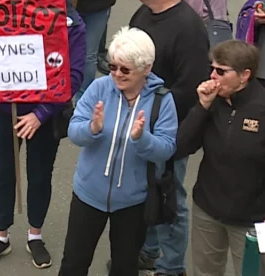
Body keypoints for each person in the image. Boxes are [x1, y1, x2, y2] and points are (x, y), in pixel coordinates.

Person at [0, 0, 85, 269]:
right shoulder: (14, 6)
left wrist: (41, 113)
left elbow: (74, 75)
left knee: (40, 176)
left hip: (44, 115)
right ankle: (1, 236)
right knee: (3, 174)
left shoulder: (73, 23)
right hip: (5, 110)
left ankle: (35, 235)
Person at [179, 40, 265, 276]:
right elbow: (183, 146)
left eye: (221, 71)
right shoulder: (213, 102)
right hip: (208, 209)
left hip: (252, 218)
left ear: (244, 75)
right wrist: (202, 107)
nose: (212, 76)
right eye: (212, 68)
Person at [59, 27, 177, 276]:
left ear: (146, 68)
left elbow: (166, 149)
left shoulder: (162, 101)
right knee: (73, 264)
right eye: (113, 67)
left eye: (125, 69)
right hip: (88, 195)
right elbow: (74, 131)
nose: (116, 74)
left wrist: (141, 139)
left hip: (132, 202)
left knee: (124, 267)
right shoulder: (99, 88)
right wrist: (93, 128)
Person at [126, 0, 210, 276]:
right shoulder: (143, 14)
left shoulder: (188, 29)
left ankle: (172, 266)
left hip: (168, 130)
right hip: (140, 124)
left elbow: (188, 89)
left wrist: (147, 110)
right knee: (144, 189)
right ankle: (148, 251)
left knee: (168, 194)